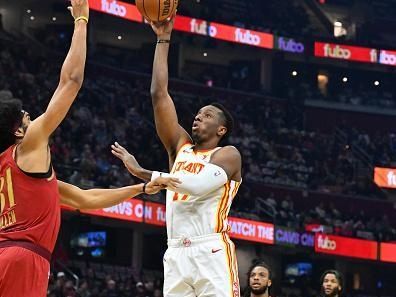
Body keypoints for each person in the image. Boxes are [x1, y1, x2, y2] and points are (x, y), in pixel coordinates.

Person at [0, 2, 178, 296]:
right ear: (18, 131)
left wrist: (140, 189)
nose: (35, 121)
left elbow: (86, 198)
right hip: (23, 258)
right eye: (29, 119)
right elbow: (70, 82)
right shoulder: (28, 148)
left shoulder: (19, 175)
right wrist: (81, 19)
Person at [111, 14, 243, 297]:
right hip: (175, 252)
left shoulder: (228, 154)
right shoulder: (180, 147)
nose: (197, 118)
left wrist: (146, 174)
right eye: (197, 114)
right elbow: (159, 94)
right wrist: (162, 39)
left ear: (221, 128)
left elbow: (195, 186)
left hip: (210, 249)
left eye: (206, 116)